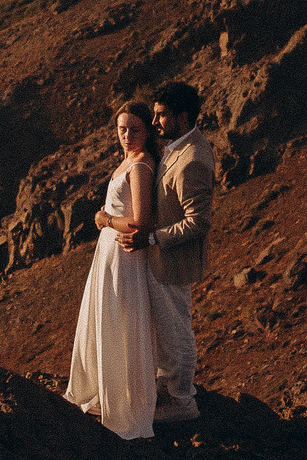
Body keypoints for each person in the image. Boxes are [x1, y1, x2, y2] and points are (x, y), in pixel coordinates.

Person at [65, 101, 161, 439]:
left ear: (147, 131)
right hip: (109, 252)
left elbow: (141, 221)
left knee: (119, 323)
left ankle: (124, 403)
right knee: (106, 320)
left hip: (123, 254)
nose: (127, 135)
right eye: (122, 129)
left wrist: (104, 219)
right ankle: (104, 393)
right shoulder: (128, 162)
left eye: (134, 129)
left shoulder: (140, 166)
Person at [120, 82, 214, 422]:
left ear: (182, 116)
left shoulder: (193, 159)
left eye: (162, 115)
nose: (156, 121)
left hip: (173, 261)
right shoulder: (176, 147)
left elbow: (199, 222)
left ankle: (182, 402)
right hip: (160, 259)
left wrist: (153, 239)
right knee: (164, 329)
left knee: (176, 332)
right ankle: (166, 391)